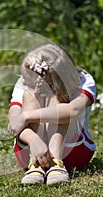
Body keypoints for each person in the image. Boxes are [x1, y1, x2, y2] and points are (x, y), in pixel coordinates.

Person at [7, 43, 96, 185]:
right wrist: (34, 140)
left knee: (60, 101)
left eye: (30, 80)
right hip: (30, 150)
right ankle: (35, 165)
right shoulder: (24, 83)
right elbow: (14, 124)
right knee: (29, 96)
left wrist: (26, 116)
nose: (25, 82)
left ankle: (56, 162)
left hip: (73, 151)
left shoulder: (84, 80)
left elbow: (72, 111)